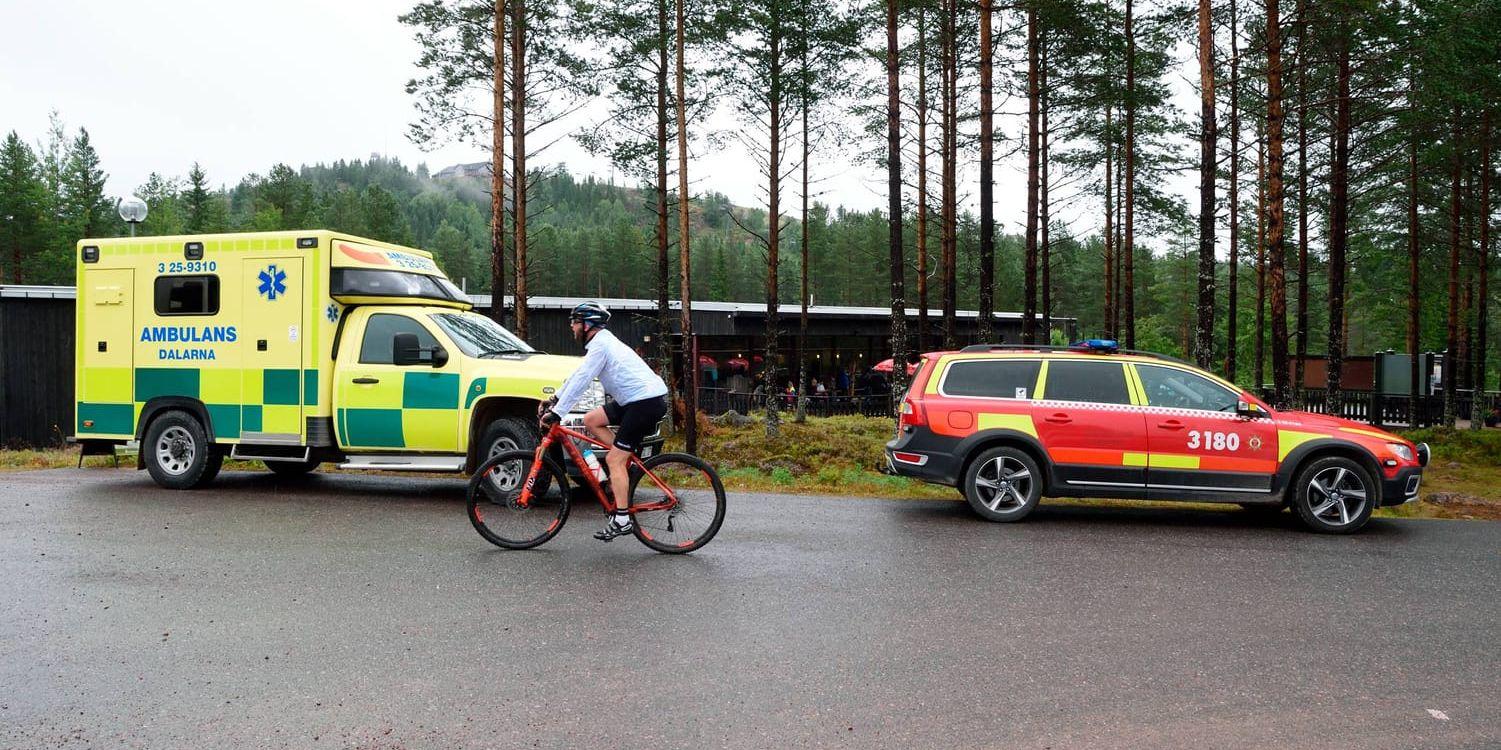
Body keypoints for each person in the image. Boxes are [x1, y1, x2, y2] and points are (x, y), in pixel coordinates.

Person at [539, 302, 669, 542]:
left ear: (587, 325)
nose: (571, 327)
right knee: (591, 420)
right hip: (633, 400)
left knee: (613, 460)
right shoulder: (600, 343)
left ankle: (622, 519)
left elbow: (584, 380)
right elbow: (579, 375)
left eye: (574, 322)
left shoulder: (601, 345)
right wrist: (555, 398)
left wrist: (558, 413)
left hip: (645, 402)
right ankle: (625, 459)